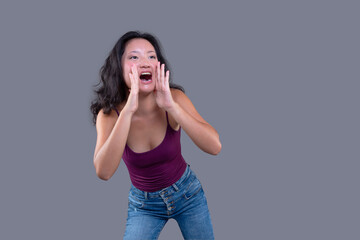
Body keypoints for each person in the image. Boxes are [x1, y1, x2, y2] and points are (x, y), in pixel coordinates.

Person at [90, 31, 221, 240]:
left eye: (151, 56)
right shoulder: (109, 115)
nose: (145, 62)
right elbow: (103, 172)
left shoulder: (175, 98)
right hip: (144, 205)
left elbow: (215, 146)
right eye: (134, 57)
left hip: (187, 194)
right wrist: (128, 111)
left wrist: (172, 107)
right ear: (119, 67)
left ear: (159, 66)